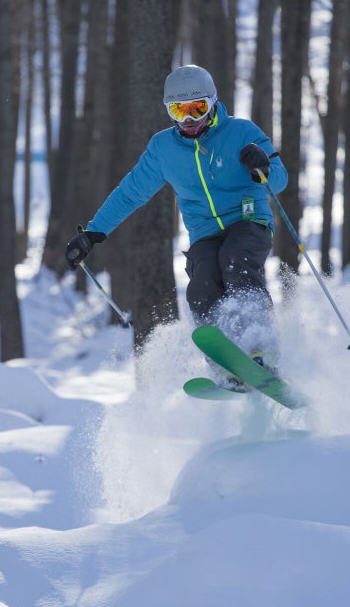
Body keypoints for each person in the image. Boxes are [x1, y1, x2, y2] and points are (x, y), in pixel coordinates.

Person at [64, 64, 288, 388]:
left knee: (236, 259)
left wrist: (262, 167)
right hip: (204, 233)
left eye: (198, 107)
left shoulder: (242, 133)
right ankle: (226, 364)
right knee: (201, 285)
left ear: (212, 102)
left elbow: (279, 181)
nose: (190, 119)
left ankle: (259, 350)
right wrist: (92, 234)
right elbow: (131, 192)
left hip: (248, 219)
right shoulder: (163, 148)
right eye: (179, 110)